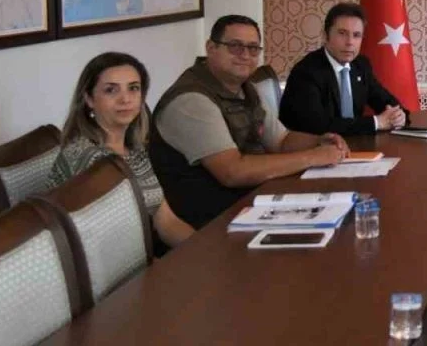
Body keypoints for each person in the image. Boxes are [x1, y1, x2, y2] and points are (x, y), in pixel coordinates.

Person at [148, 15, 350, 230]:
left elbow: (281, 141)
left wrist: (318, 141)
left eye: (253, 48)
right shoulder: (190, 100)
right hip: (207, 225)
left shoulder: (246, 88)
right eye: (235, 46)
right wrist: (312, 157)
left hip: (249, 203)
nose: (245, 55)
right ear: (211, 48)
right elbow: (232, 171)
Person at [49, 52, 194, 253]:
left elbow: (166, 221)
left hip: (136, 253)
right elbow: (103, 248)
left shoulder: (134, 149)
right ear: (89, 99)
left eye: (133, 88)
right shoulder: (88, 158)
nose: (125, 99)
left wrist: (204, 248)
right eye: (111, 90)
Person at [280, 2, 408, 135]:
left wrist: (398, 115)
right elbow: (316, 125)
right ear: (325, 36)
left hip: (354, 144)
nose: (350, 42)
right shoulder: (306, 72)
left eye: (356, 35)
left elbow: (387, 101)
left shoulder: (360, 65)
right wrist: (376, 122)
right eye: (342, 33)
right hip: (312, 146)